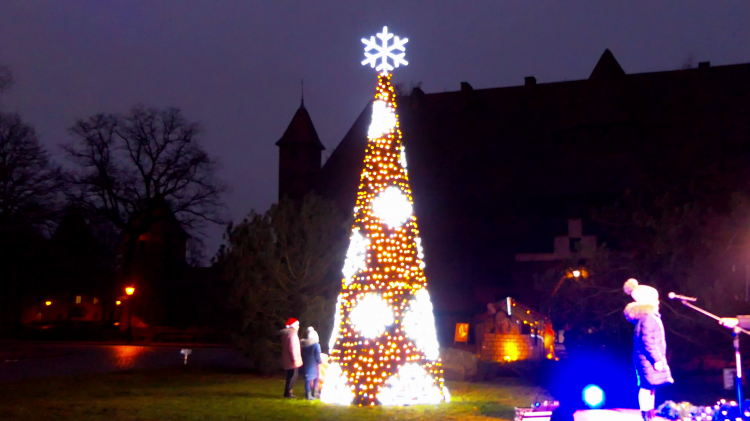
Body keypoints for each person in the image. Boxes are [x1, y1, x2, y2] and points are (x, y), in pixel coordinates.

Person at [623, 278, 674, 421]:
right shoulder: (649, 318)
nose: (658, 302)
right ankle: (647, 416)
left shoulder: (648, 317)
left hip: (645, 359)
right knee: (647, 387)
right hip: (647, 359)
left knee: (649, 388)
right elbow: (648, 341)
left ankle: (648, 415)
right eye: (655, 299)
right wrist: (656, 359)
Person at [280, 318, 302, 398]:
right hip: (292, 359)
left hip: (287, 358)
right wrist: (295, 359)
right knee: (293, 375)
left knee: (290, 375)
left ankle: (288, 391)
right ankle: (288, 392)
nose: (298, 327)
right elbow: (292, 348)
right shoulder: (292, 335)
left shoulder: (287, 335)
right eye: (297, 325)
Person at [300, 326, 322, 400]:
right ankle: (314, 393)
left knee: (308, 380)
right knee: (316, 378)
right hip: (314, 365)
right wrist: (320, 361)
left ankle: (308, 394)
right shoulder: (316, 345)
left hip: (307, 364)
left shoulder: (304, 345)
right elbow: (317, 355)